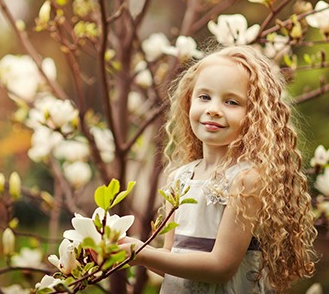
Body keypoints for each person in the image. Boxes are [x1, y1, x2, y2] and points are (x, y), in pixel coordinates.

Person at [120, 45, 317, 293]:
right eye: (204, 97)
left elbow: (221, 266)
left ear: (255, 116)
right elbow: (171, 260)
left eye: (231, 101)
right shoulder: (180, 179)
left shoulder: (245, 180)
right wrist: (128, 251)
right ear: (187, 101)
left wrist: (142, 253)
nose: (213, 109)